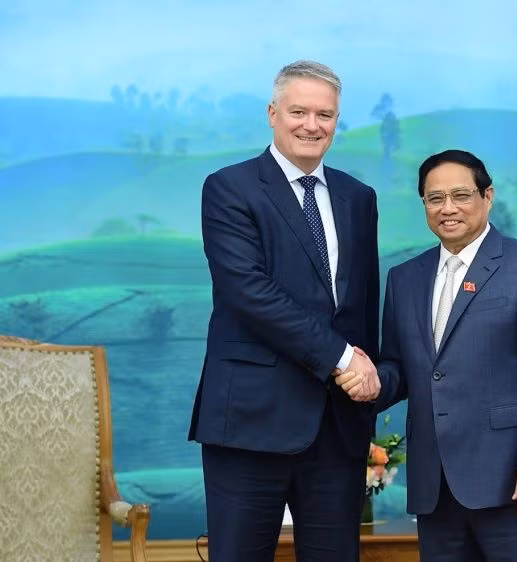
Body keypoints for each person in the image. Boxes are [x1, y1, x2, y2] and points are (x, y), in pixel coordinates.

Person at [337, 149, 517, 561]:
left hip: (515, 482)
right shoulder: (405, 278)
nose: (448, 208)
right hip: (436, 489)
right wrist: (368, 380)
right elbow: (402, 368)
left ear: (488, 196)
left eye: (461, 195)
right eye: (435, 198)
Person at [188, 60, 381, 562]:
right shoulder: (230, 188)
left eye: (325, 114)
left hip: (337, 429)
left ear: (337, 120)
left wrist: (370, 381)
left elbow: (360, 306)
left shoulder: (359, 198)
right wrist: (344, 360)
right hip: (250, 422)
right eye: (299, 111)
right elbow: (249, 292)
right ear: (273, 113)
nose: (311, 125)